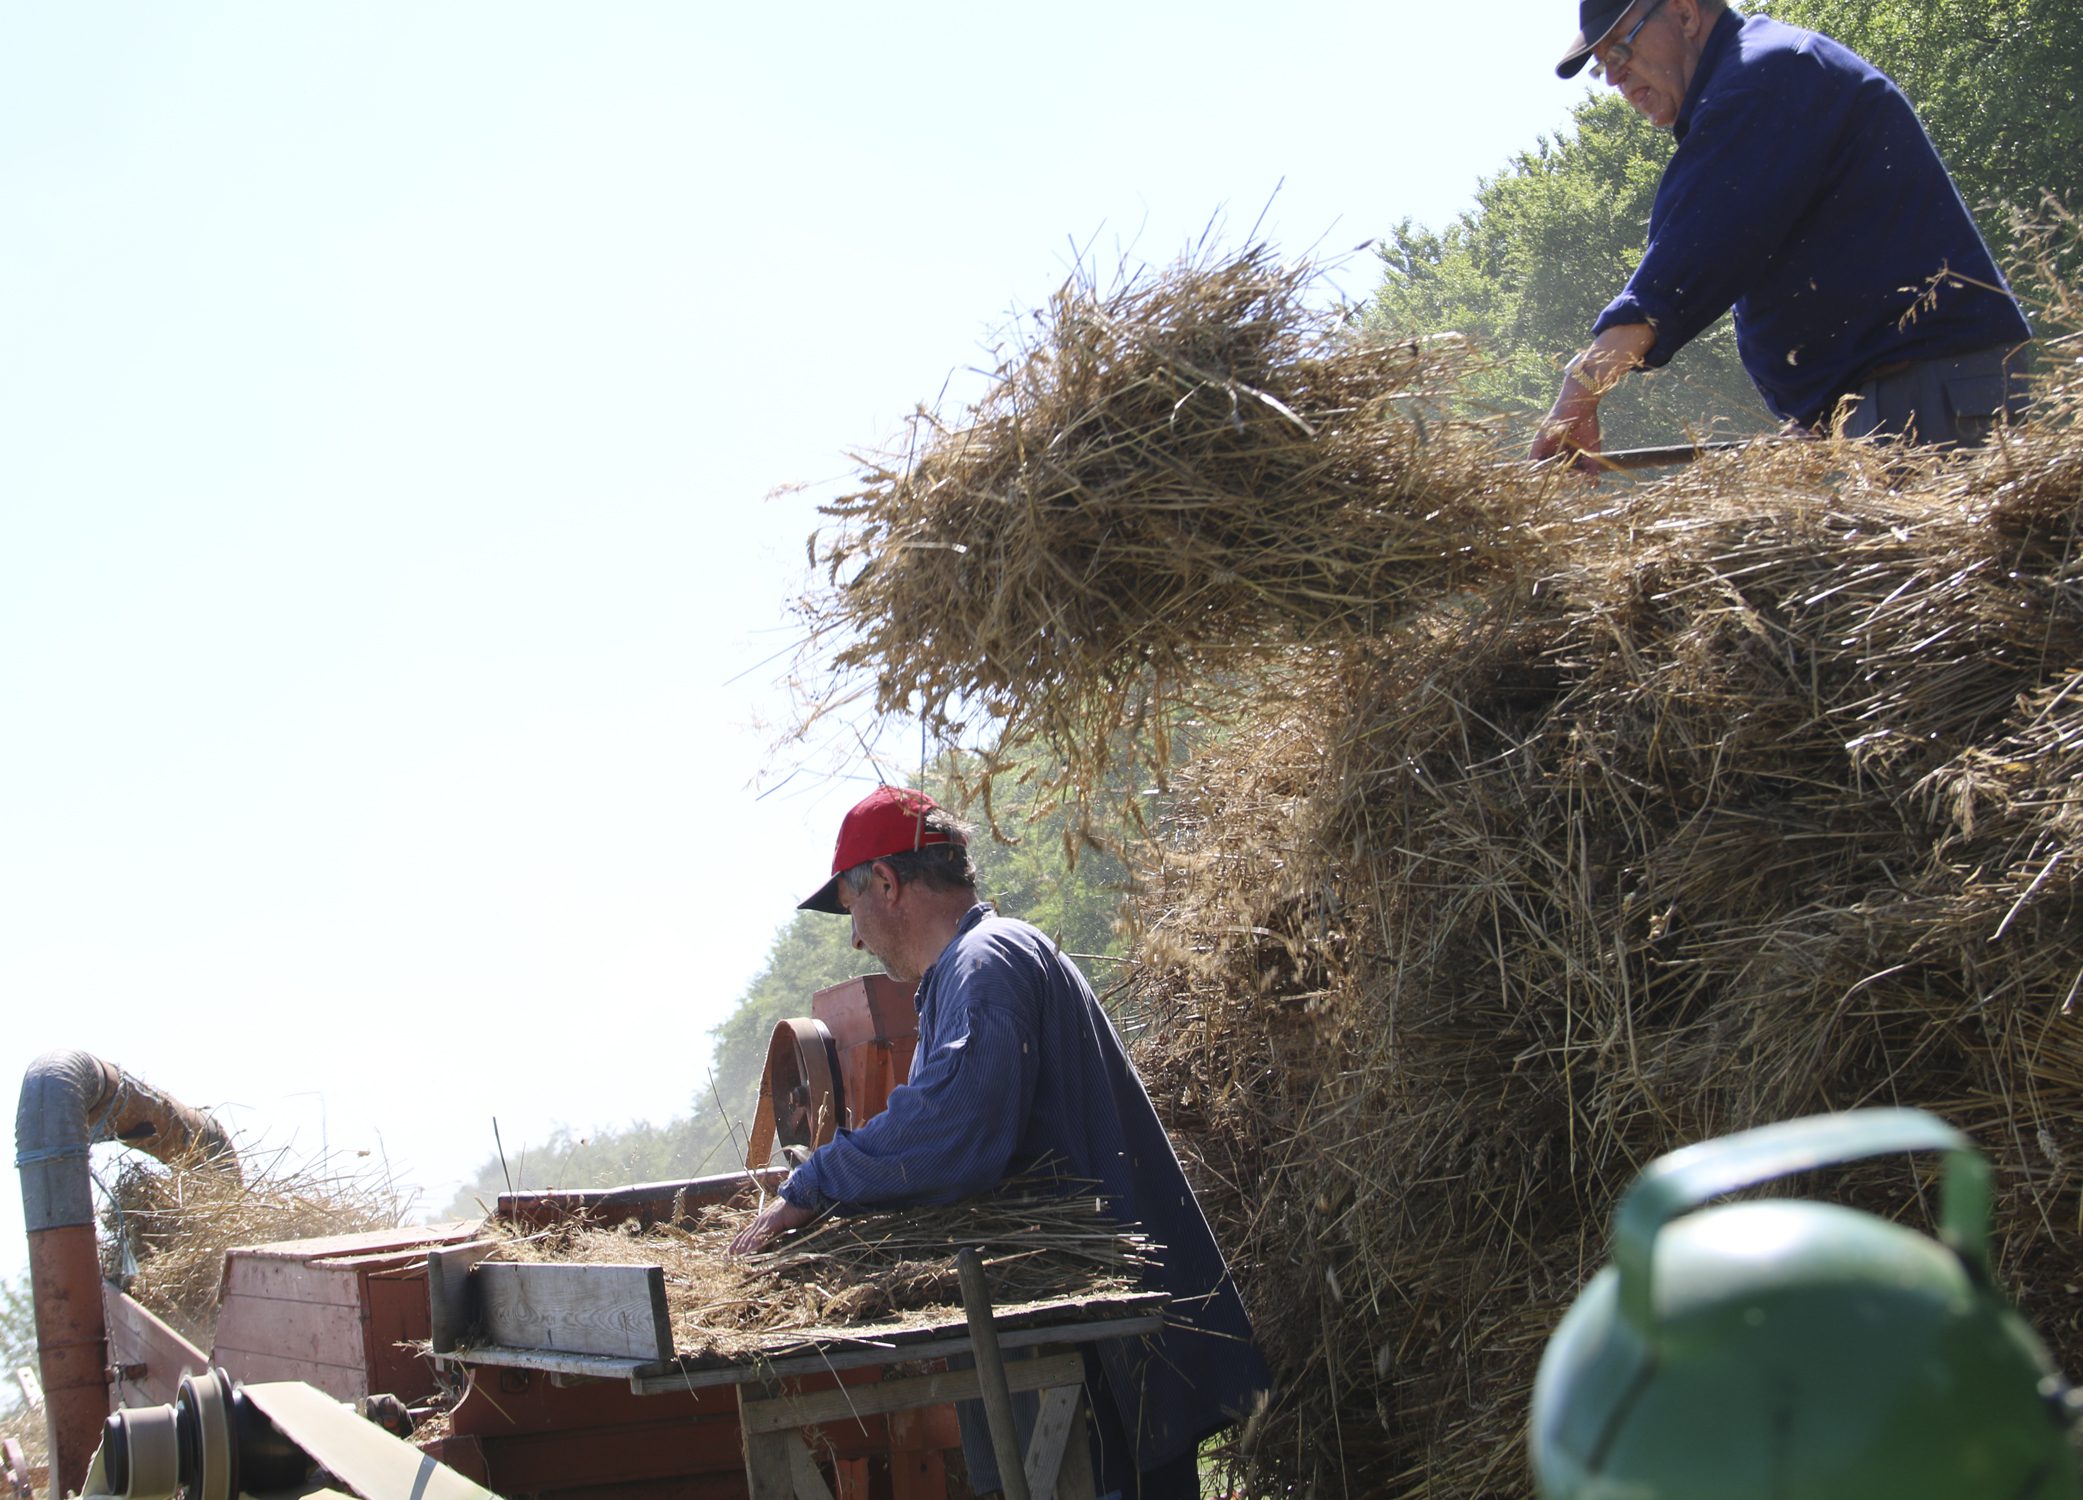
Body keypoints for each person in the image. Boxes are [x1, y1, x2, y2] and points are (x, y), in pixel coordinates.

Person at [730, 784, 1268, 1499]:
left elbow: (953, 1127)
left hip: (1101, 1372)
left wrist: (816, 1182)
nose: (855, 936)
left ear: (886, 882)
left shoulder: (987, 962)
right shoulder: (970, 973)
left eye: (851, 908)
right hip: (1080, 1361)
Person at [1531, 0, 2033, 465]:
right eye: (1601, 65)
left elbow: (1687, 259)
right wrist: (1819, 414)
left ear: (1684, 14)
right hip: (1910, 392)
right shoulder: (1757, 81)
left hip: (1927, 394)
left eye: (1620, 50)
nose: (1613, 77)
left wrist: (1580, 391)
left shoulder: (1763, 78)